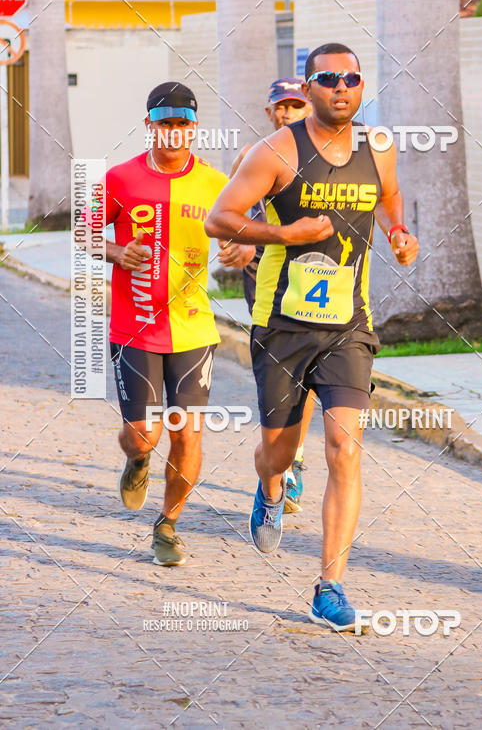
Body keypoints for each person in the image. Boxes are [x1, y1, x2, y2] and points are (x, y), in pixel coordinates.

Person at [205, 44, 419, 631]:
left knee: (345, 447)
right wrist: (287, 233)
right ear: (309, 88)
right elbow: (220, 219)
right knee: (278, 451)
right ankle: (270, 487)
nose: (341, 87)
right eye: (328, 78)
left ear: (361, 86)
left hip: (349, 325)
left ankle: (330, 586)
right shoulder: (275, 151)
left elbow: (390, 197)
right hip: (283, 324)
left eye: (351, 77)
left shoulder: (379, 147)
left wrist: (399, 232)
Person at [84, 82, 254, 566]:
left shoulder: (217, 183)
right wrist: (116, 251)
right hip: (134, 327)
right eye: (165, 124)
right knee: (143, 435)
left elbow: (245, 236)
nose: (174, 132)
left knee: (186, 433)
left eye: (183, 124)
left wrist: (242, 249)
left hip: (193, 329)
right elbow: (85, 232)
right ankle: (137, 460)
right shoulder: (119, 178)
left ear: (194, 128)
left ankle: (167, 526)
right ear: (149, 126)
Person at [229, 78, 314, 513]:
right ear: (269, 112)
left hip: (313, 273)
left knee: (309, 372)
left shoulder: (324, 158)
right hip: (263, 275)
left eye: (295, 106)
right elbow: (226, 214)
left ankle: (292, 461)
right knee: (280, 370)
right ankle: (277, 460)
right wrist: (236, 245)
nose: (287, 113)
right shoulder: (253, 155)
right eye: (281, 106)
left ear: (309, 108)